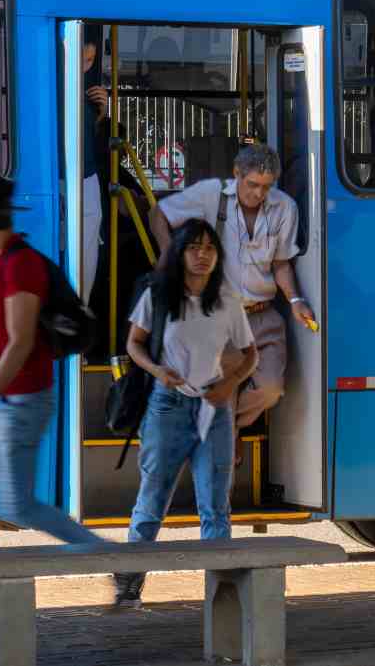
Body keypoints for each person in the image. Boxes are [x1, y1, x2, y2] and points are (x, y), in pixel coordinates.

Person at [0, 171, 108, 632]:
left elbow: (18, 344)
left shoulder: (21, 265)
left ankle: (113, 558)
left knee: (18, 506)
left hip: (17, 404)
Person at [113, 219, 259, 608]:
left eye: (209, 248)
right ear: (179, 253)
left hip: (215, 407)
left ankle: (222, 592)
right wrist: (158, 370)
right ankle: (130, 582)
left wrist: (230, 385)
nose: (202, 255)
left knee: (215, 504)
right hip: (168, 405)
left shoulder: (227, 300)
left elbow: (250, 354)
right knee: (152, 499)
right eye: (193, 247)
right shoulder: (158, 296)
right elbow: (134, 344)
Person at [149, 144, 315, 462]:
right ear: (236, 175)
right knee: (222, 385)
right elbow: (158, 213)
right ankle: (221, 437)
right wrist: (167, 255)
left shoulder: (285, 207)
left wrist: (294, 299)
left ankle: (228, 428)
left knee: (271, 389)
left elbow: (281, 263)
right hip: (218, 315)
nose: (259, 193)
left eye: (266, 186)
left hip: (263, 315)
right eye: (252, 184)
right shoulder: (211, 194)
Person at [82, 40, 109, 298]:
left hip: (87, 178)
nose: (83, 66)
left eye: (89, 60)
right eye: (80, 58)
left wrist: (101, 113)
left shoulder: (86, 96)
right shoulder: (57, 87)